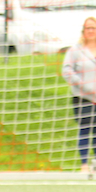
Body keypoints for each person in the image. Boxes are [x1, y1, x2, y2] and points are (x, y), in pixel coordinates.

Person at [62, 17, 96, 173]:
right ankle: (84, 164)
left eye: (93, 28)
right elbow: (67, 71)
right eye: (88, 28)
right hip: (83, 97)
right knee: (85, 128)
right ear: (83, 31)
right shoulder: (75, 50)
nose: (91, 31)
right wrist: (85, 86)